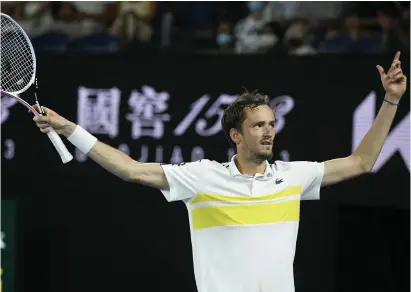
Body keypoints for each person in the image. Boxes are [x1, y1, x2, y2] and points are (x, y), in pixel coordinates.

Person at [33, 52, 406, 292]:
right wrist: (69, 128)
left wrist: (391, 99)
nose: (269, 131)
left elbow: (362, 162)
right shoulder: (202, 177)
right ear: (235, 134)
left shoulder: (293, 176)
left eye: (271, 123)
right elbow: (131, 170)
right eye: (258, 125)